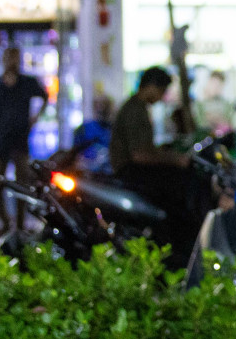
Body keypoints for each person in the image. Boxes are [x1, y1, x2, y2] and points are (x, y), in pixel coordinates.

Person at [110, 67, 203, 262]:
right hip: (130, 172)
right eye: (162, 91)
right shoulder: (135, 109)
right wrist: (175, 159)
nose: (162, 97)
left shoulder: (137, 107)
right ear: (152, 86)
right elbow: (140, 156)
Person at [0, 46, 48, 232]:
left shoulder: (27, 82)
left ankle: (19, 224)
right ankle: (5, 222)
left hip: (20, 139)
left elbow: (45, 96)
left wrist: (35, 117)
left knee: (22, 184)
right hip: (0, 139)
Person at [67, 95, 115, 174]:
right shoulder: (85, 128)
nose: (101, 109)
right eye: (99, 106)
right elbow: (74, 151)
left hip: (107, 175)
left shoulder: (113, 129)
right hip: (86, 173)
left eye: (105, 106)